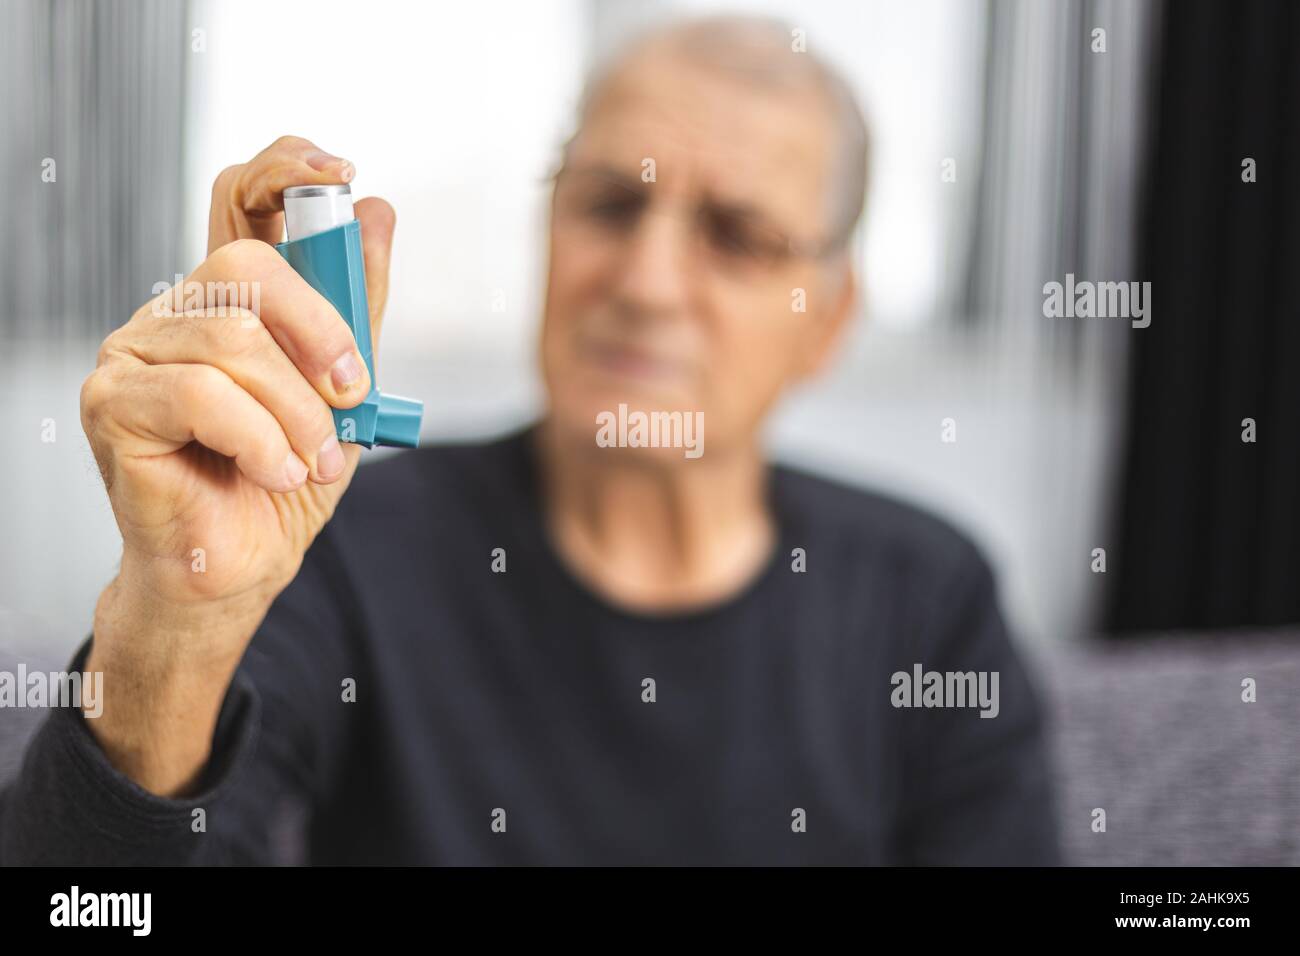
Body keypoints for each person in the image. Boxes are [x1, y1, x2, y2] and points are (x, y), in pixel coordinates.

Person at [0, 17, 1058, 865]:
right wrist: (175, 613)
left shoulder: (930, 596)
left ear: (826, 318)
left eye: (736, 236)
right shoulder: (343, 544)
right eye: (609, 203)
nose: (643, 283)